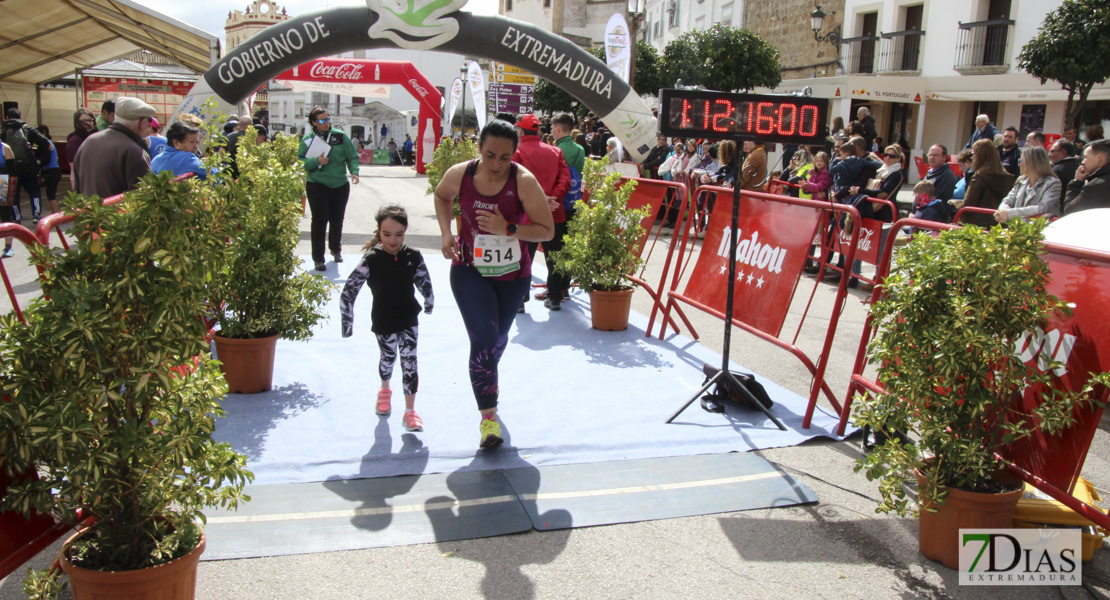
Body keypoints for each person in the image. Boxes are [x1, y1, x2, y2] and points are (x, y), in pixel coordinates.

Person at [433, 119, 554, 449]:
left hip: (513, 276)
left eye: (505, 157)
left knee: (497, 339)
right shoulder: (461, 174)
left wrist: (509, 228)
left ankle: (485, 376)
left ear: (515, 154)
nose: (497, 164)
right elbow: (442, 196)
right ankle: (489, 419)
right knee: (484, 340)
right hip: (469, 270)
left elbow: (547, 231)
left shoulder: (524, 182)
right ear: (479, 149)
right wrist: (446, 233)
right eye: (490, 155)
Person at [340, 205, 434, 432]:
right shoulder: (371, 259)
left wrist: (429, 301)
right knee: (388, 358)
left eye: (399, 234)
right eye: (387, 234)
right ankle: (385, 388)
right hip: (383, 321)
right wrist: (347, 322)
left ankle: (410, 412)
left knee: (410, 362)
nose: (393, 240)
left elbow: (424, 280)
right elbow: (349, 292)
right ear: (379, 232)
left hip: (409, 318)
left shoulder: (413, 256)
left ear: (406, 231)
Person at [513, 113, 570, 311]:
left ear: (520, 130)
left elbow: (514, 181)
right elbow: (565, 180)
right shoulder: (555, 152)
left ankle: (520, 300)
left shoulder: (517, 151)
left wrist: (539, 200)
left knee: (523, 257)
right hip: (555, 212)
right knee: (555, 257)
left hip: (527, 214)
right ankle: (554, 297)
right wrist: (552, 198)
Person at [298, 107, 360, 271]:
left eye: (327, 119)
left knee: (337, 218)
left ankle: (335, 249)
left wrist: (354, 171)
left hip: (339, 184)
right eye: (321, 121)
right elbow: (300, 162)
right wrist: (315, 161)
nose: (326, 123)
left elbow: (352, 156)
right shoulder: (307, 140)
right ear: (313, 122)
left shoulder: (340, 137)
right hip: (317, 183)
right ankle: (318, 258)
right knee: (319, 220)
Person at [72, 97, 154, 199]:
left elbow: (77, 188)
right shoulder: (134, 151)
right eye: (149, 120)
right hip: (119, 214)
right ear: (141, 122)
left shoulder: (89, 142)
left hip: (89, 214)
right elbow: (143, 199)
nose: (148, 125)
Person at [546, 112, 585, 306]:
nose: (552, 132)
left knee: (554, 248)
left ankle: (553, 290)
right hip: (574, 202)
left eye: (553, 128)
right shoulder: (579, 149)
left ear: (558, 129)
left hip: (557, 203)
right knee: (568, 246)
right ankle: (565, 287)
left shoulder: (555, 150)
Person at [1, 108, 50, 223]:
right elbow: (45, 142)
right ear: (21, 117)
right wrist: (37, 157)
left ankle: (16, 217)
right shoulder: (27, 129)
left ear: (6, 117)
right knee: (34, 191)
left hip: (10, 168)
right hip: (28, 166)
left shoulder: (3, 131)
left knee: (14, 194)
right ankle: (36, 215)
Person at [958, 139, 1015, 228]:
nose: (972, 158)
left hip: (975, 229)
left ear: (980, 156)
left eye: (973, 154)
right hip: (998, 228)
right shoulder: (1008, 178)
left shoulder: (979, 178)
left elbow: (967, 206)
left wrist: (956, 204)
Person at [994, 146, 1061, 224]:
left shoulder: (1053, 183)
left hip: (1040, 231)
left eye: (1021, 161)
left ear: (1033, 163)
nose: (1019, 164)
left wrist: (1009, 213)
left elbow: (1042, 209)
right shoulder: (1021, 181)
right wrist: (1002, 211)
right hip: (1020, 230)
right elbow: (1007, 200)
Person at [1063, 139, 1110, 215]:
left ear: (1099, 157)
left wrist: (1077, 182)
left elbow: (1070, 211)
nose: (1083, 162)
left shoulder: (1097, 185)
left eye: (1085, 157)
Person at [34, 125, 62, 217]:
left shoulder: (46, 143)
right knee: (50, 194)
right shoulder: (46, 143)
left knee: (51, 195)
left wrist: (38, 163)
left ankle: (56, 216)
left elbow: (46, 159)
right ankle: (54, 214)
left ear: (43, 133)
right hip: (52, 170)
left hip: (52, 171)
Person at [66, 109, 97, 186]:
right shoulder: (74, 141)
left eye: (90, 120)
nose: (88, 123)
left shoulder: (96, 136)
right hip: (83, 181)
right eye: (84, 121)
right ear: (77, 123)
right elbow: (75, 166)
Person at [0, 140, 16, 258]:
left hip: (2, 182)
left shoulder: (5, 148)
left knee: (5, 215)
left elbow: (13, 171)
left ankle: (8, 247)